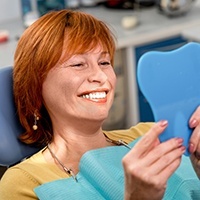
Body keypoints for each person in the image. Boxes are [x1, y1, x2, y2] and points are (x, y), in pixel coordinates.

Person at [0, 9, 200, 200]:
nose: (100, 76)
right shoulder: (23, 184)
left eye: (104, 63)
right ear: (36, 87)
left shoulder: (152, 135)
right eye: (78, 64)